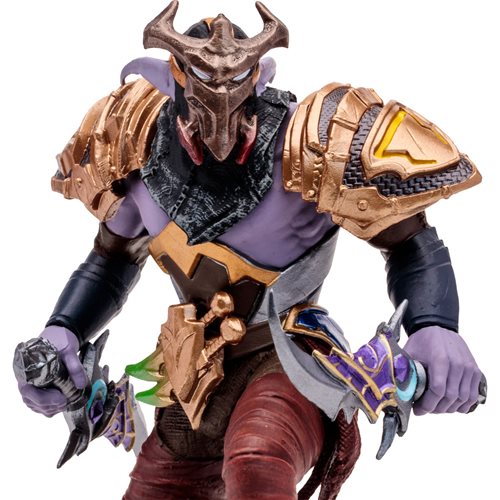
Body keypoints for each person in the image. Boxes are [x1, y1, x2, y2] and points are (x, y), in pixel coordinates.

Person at [15, 2, 483, 498]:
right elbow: (111, 259)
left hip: (292, 360)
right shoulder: (132, 145)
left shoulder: (316, 146)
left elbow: (409, 241)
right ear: (167, 82)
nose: (219, 126)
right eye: (201, 95)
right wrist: (62, 330)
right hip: (194, 372)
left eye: (236, 93)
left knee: (258, 460)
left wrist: (434, 326)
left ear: (260, 79)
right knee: (155, 490)